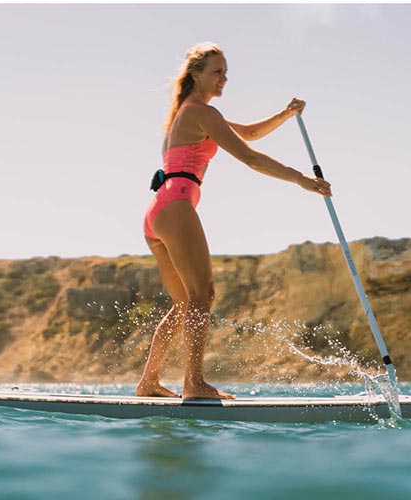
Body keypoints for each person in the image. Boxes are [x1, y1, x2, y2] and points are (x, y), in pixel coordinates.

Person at [137, 42, 331, 400]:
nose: (223, 79)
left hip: (158, 212)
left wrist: (285, 114)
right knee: (202, 295)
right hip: (176, 206)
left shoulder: (187, 113)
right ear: (196, 74)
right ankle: (194, 383)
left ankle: (148, 383)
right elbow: (250, 157)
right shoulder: (202, 113)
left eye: (225, 73)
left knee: (184, 303)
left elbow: (249, 133)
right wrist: (301, 179)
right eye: (217, 72)